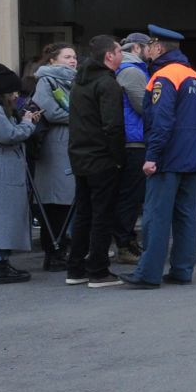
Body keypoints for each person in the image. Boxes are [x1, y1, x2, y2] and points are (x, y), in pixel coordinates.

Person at [125, 25, 196, 290]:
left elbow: (161, 120)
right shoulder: (193, 76)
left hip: (168, 158)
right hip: (192, 157)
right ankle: (182, 270)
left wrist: (152, 155)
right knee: (185, 216)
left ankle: (148, 273)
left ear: (158, 48)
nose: (147, 50)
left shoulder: (163, 76)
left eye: (150, 45)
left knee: (156, 217)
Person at [66, 35, 127, 288]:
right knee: (103, 215)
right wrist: (118, 158)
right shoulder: (107, 84)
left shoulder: (79, 82)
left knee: (84, 214)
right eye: (119, 51)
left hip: (80, 156)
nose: (122, 55)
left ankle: (76, 267)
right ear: (109, 56)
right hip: (102, 158)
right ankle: (99, 270)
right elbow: (112, 125)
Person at [0, 65, 41, 284]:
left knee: (3, 214)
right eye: (13, 92)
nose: (16, 95)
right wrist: (28, 123)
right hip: (1, 167)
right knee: (0, 215)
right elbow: (9, 135)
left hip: (4, 166)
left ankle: (2, 261)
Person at [31, 43, 78, 272]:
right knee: (56, 200)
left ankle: (63, 247)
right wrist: (81, 117)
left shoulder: (74, 81)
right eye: (67, 57)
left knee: (67, 199)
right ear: (52, 60)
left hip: (71, 145)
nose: (72, 60)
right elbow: (48, 110)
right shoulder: (46, 81)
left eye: (74, 56)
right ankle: (54, 251)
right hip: (55, 147)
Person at [113, 32, 154, 263]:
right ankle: (125, 244)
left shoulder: (124, 70)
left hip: (128, 139)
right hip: (134, 141)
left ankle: (124, 240)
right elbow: (144, 107)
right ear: (137, 48)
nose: (152, 51)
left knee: (126, 195)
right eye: (149, 47)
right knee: (130, 196)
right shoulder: (133, 72)